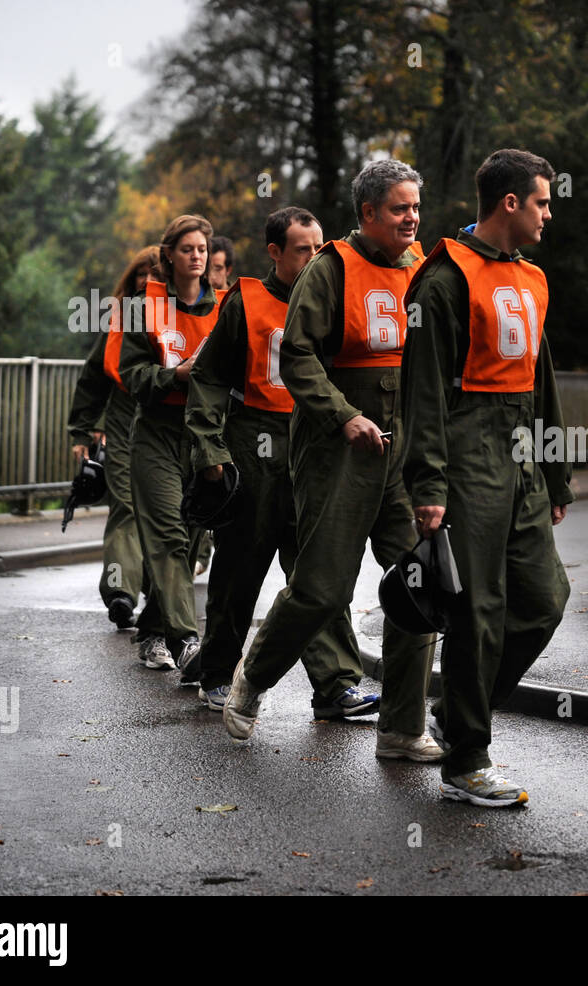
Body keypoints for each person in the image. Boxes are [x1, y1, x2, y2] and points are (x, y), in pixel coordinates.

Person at [223, 162, 441, 761]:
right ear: (368, 212)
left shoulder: (425, 269)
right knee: (321, 588)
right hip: (339, 447)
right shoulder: (331, 268)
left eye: (416, 207)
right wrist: (344, 415)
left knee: (416, 587)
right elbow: (297, 357)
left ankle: (401, 726)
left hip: (404, 451)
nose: (412, 218)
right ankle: (253, 677)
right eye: (400, 208)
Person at [399, 148, 573, 807]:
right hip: (467, 452)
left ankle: (458, 716)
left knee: (542, 600)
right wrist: (430, 487)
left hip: (522, 453)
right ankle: (468, 758)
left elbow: (542, 380)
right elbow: (423, 395)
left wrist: (555, 476)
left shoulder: (531, 278)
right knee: (477, 612)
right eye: (541, 202)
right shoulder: (443, 282)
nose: (548, 214)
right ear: (510, 204)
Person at [186, 205, 377, 718]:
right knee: (241, 565)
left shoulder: (334, 296)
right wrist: (210, 449)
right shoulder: (244, 301)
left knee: (321, 567)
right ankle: (218, 671)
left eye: (319, 247)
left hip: (316, 440)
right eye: (302, 249)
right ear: (275, 252)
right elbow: (208, 377)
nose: (315, 257)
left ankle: (336, 684)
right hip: (256, 441)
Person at [119, 215, 219, 676]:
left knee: (193, 534)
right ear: (169, 256)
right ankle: (186, 640)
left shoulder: (228, 305)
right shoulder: (145, 306)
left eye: (202, 248)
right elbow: (130, 374)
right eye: (187, 249)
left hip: (205, 436)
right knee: (168, 537)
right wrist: (174, 375)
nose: (196, 256)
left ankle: (155, 630)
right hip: (158, 432)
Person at [66, 245, 158, 629]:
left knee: (162, 512)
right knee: (125, 505)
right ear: (131, 280)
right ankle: (121, 592)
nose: (148, 281)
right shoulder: (118, 321)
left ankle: (159, 590)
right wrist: (82, 430)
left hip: (169, 417)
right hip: (123, 418)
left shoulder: (186, 314)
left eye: (156, 275)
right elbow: (93, 377)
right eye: (141, 274)